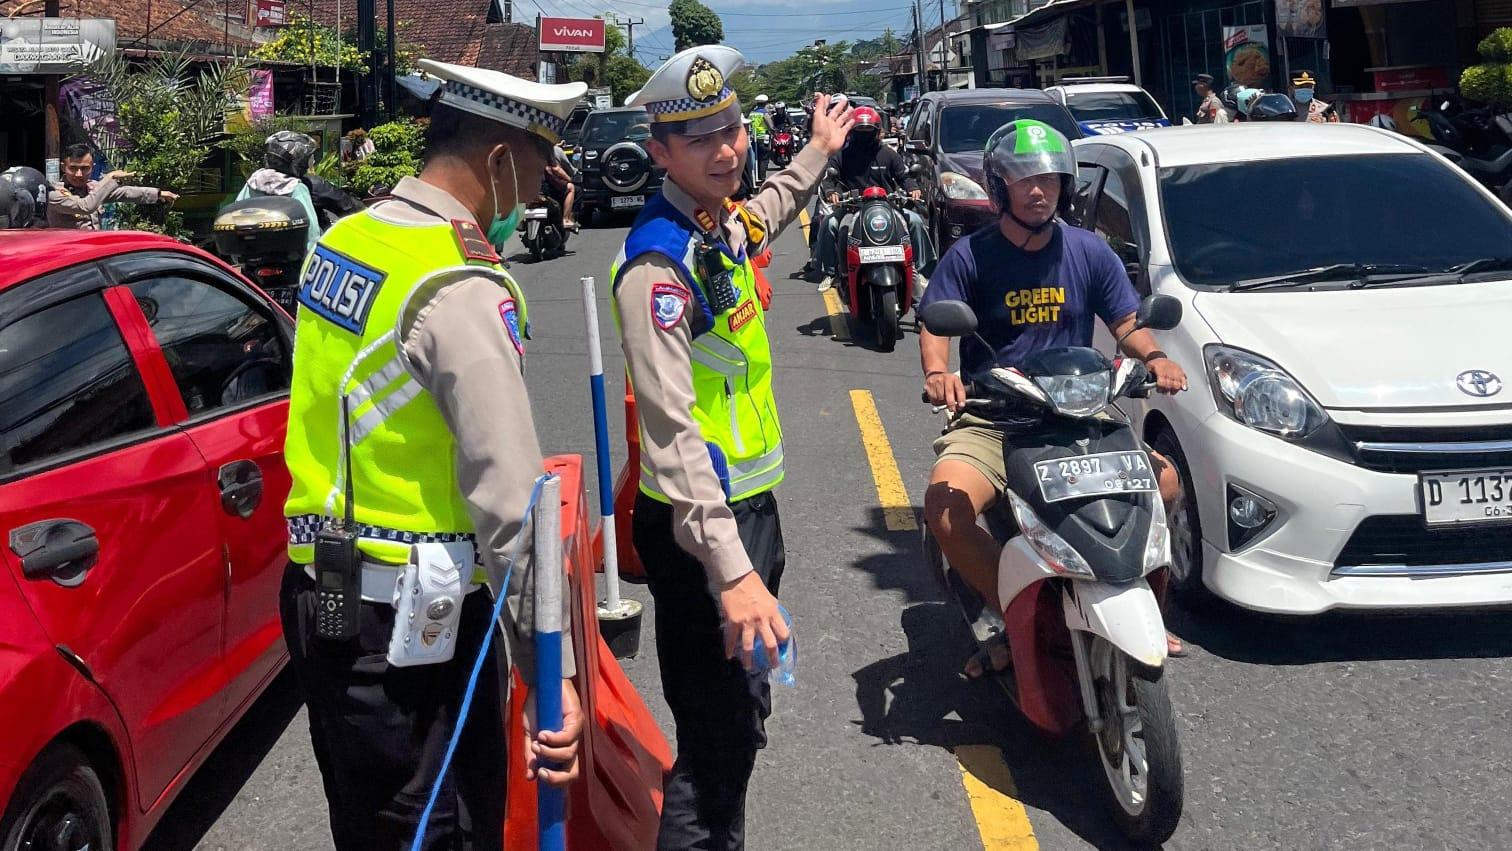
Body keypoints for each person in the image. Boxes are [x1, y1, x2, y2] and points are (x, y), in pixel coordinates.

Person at [279, 59, 587, 851]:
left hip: (326, 594)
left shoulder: (350, 237)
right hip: (415, 628)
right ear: (495, 161)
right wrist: (551, 671)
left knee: (369, 820)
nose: (542, 189)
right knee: (441, 826)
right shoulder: (461, 284)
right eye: (535, 167)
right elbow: (512, 495)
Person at [613, 45, 853, 850]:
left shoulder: (713, 225)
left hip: (748, 510)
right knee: (713, 754)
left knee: (737, 727)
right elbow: (672, 434)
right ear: (660, 152)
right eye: (700, 138)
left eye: (733, 129)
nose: (727, 149)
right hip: (702, 530)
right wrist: (735, 571)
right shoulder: (660, 264)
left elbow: (772, 205)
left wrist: (819, 151)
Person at [917, 120, 1191, 673]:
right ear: (1000, 188)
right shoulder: (971, 255)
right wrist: (938, 372)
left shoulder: (1089, 251)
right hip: (996, 416)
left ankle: (1139, 605)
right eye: (1024, 180)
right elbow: (936, 321)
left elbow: (1128, 322)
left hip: (1078, 411)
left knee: (1165, 481)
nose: (1039, 190)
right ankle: (1016, 620)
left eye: (1049, 178)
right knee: (945, 510)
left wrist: (1156, 357)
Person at [808, 105, 934, 290]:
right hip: (853, 207)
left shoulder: (888, 154)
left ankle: (920, 270)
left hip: (888, 205)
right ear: (853, 132)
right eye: (861, 131)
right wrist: (831, 192)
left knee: (915, 221)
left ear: (876, 132)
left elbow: (904, 177)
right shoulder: (843, 155)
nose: (865, 136)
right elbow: (830, 178)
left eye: (869, 131)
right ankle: (832, 272)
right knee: (832, 225)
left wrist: (913, 188)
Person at [235, 131, 325, 256]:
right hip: (290, 259)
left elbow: (235, 215)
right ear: (298, 162)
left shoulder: (253, 182)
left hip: (252, 255)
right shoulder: (296, 187)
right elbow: (312, 232)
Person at [48, 143, 178, 229]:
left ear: (92, 168)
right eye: (73, 168)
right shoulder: (55, 193)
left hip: (91, 254)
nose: (79, 174)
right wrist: (110, 179)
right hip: (68, 257)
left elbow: (124, 193)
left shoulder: (92, 188)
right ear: (63, 167)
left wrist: (158, 194)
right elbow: (85, 206)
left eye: (84, 168)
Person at [748, 94, 772, 180]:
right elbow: (770, 126)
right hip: (763, 138)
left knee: (755, 158)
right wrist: (773, 130)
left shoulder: (752, 113)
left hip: (753, 139)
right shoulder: (764, 113)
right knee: (764, 158)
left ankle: (755, 177)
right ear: (765, 103)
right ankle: (762, 178)